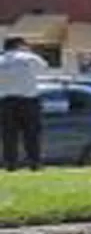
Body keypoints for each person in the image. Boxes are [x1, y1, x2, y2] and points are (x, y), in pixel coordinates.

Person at [0, 36, 48, 171]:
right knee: (32, 134)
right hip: (28, 100)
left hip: (5, 102)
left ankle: (10, 164)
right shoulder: (29, 58)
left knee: (8, 135)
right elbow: (44, 68)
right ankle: (35, 163)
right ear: (19, 45)